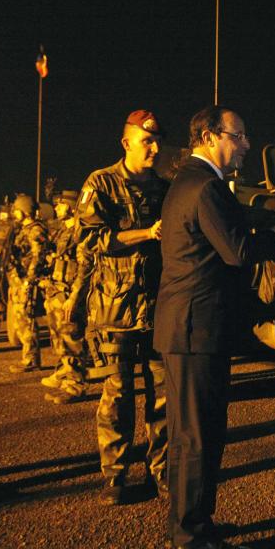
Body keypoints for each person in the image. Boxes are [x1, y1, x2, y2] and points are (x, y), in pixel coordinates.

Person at [154, 106, 275, 549]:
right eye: (240, 135)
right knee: (197, 435)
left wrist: (261, 217)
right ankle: (193, 536)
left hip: (188, 326)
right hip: (196, 328)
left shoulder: (192, 182)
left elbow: (232, 224)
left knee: (192, 432)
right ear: (212, 136)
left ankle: (192, 523)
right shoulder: (205, 186)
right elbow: (239, 250)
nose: (246, 145)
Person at [74, 110, 169, 505]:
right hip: (117, 307)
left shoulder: (166, 188)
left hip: (160, 304)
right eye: (146, 141)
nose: (155, 148)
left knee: (164, 395)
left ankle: (162, 473)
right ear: (126, 143)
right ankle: (115, 475)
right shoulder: (101, 183)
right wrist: (146, 233)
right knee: (119, 393)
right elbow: (94, 239)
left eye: (157, 141)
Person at [41, 190, 89, 403]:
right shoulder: (63, 231)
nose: (57, 209)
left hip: (70, 291)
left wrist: (75, 296)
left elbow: (84, 266)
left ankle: (75, 385)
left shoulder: (80, 229)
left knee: (72, 337)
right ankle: (65, 371)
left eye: (60, 205)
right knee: (59, 336)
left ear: (70, 206)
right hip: (58, 289)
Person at [6, 193, 49, 374]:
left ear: (23, 211)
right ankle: (29, 357)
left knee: (26, 320)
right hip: (18, 280)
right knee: (20, 320)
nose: (14, 213)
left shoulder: (35, 230)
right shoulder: (23, 229)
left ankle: (31, 359)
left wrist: (29, 280)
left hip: (26, 281)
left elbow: (38, 256)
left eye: (16, 210)